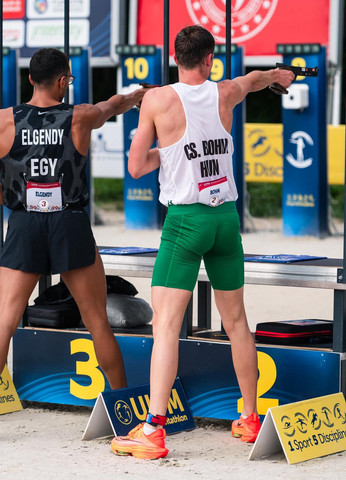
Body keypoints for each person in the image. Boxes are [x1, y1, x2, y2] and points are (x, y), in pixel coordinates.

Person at [0, 48, 149, 442]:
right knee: (96, 321)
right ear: (62, 80)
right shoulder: (81, 116)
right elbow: (114, 105)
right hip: (69, 222)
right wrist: (138, 95)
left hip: (24, 225)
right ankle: (125, 417)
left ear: (30, 80)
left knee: (3, 322)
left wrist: (22, 202)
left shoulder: (1, 121)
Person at [110, 25, 295, 459]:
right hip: (225, 221)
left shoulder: (157, 99)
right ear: (210, 57)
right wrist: (278, 75)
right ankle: (251, 419)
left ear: (175, 57)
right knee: (237, 325)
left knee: (166, 327)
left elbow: (137, 166)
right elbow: (257, 79)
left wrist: (168, 152)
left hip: (185, 222)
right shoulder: (227, 91)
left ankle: (154, 430)